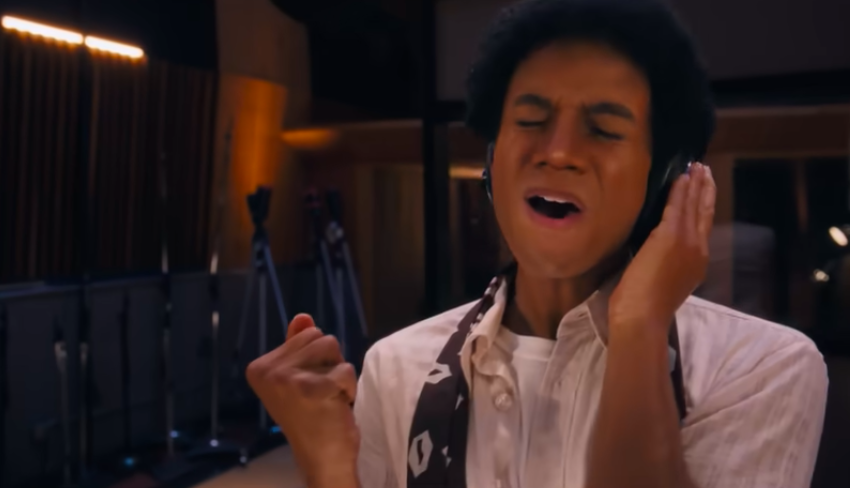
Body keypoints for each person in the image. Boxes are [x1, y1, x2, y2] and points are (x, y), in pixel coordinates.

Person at [246, 0, 829, 487]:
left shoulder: (756, 368)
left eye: (604, 129)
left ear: (666, 180)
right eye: (529, 120)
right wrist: (328, 464)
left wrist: (639, 327)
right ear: (492, 160)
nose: (558, 151)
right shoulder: (398, 368)